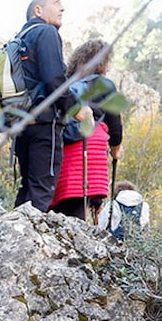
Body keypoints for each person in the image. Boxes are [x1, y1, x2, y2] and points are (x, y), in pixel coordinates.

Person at [50, 40, 123, 222]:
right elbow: (115, 128)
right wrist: (115, 151)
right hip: (91, 153)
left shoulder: (65, 85)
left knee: (65, 207)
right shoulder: (105, 85)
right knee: (82, 209)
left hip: (63, 150)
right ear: (102, 62)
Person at [11, 0, 68, 211]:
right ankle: (29, 243)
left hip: (22, 121)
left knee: (27, 187)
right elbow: (54, 79)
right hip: (45, 121)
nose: (62, 8)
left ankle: (13, 236)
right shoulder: (46, 32)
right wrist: (75, 108)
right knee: (42, 188)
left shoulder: (20, 37)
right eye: (57, 2)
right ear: (38, 11)